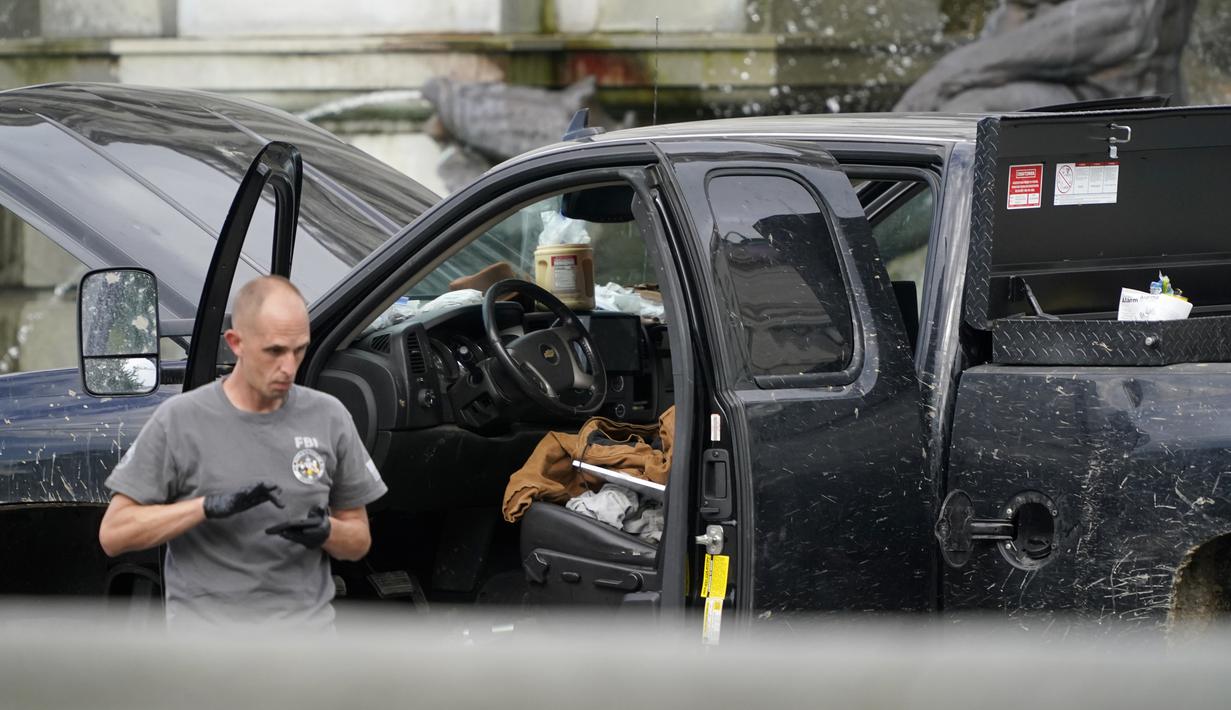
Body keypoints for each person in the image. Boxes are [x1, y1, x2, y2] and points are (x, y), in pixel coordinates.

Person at [98, 275, 387, 630]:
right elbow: (114, 535)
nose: (289, 367)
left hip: (305, 649)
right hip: (210, 652)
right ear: (236, 343)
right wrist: (205, 507)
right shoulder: (181, 420)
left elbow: (359, 541)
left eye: (299, 350)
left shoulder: (329, 416)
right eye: (274, 351)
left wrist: (327, 532)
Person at [895, 0, 1197, 112]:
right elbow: (1012, 19)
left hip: (1123, 103)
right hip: (1051, 87)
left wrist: (953, 72)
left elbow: (1120, 20)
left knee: (973, 112)